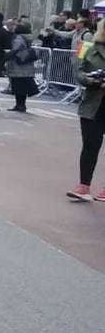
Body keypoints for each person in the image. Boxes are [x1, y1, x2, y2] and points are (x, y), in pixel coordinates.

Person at [66, 18, 105, 201]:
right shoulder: (89, 47)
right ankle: (83, 186)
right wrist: (91, 80)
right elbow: (79, 72)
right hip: (92, 104)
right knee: (90, 146)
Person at [5, 20, 40, 114]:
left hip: (18, 65)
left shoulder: (19, 38)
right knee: (23, 87)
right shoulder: (28, 37)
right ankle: (21, 105)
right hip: (27, 65)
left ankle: (19, 105)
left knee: (18, 87)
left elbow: (15, 49)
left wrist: (6, 56)